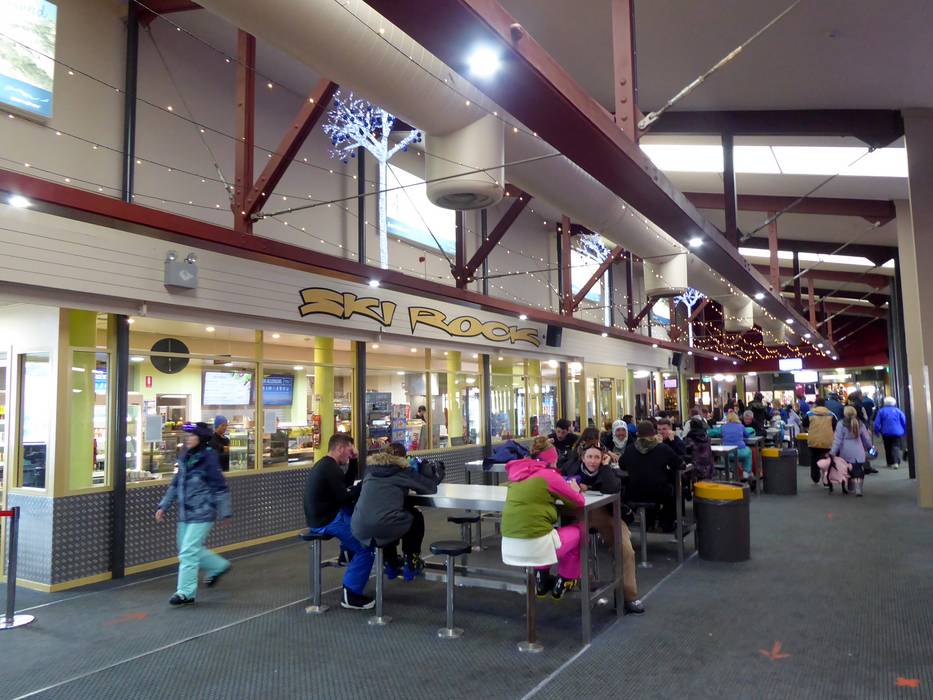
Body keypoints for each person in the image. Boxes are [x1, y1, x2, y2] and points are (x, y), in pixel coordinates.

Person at [155, 422, 232, 606]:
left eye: (192, 436)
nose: (188, 439)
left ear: (201, 438)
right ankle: (219, 566)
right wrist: (163, 506)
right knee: (186, 549)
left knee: (188, 551)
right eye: (187, 436)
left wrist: (225, 512)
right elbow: (175, 484)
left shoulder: (209, 458)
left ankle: (185, 592)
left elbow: (220, 486)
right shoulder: (185, 456)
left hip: (203, 511)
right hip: (185, 512)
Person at [501, 436, 586, 600]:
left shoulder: (517, 475)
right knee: (580, 532)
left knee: (544, 531)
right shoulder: (549, 476)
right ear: (552, 460)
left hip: (508, 545)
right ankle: (565, 580)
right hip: (535, 547)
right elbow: (579, 502)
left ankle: (542, 580)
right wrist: (575, 489)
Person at [564, 444, 645, 614]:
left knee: (625, 549)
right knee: (571, 547)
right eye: (589, 457)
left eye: (597, 457)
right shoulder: (571, 468)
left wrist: (605, 469)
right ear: (582, 457)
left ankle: (627, 596)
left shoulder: (606, 471)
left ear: (602, 459)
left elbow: (612, 488)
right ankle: (580, 584)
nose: (593, 461)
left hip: (607, 514)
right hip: (578, 515)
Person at [303, 434, 375, 610]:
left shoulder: (327, 465)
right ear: (340, 448)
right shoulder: (330, 468)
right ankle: (351, 595)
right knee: (366, 548)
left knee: (349, 512)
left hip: (320, 518)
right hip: (326, 521)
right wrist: (365, 483)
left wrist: (354, 461)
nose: (350, 453)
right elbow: (344, 496)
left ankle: (347, 552)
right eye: (349, 450)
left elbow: (344, 484)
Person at [351, 442, 440, 582]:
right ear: (403, 458)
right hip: (383, 526)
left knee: (388, 516)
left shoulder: (370, 470)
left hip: (359, 527)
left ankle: (390, 562)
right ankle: (412, 561)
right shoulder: (402, 471)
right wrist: (429, 474)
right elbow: (430, 488)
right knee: (414, 516)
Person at [621, 421, 682, 532]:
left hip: (634, 492)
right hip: (659, 492)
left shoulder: (630, 449)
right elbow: (678, 464)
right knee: (672, 492)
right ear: (653, 433)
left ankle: (648, 523)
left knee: (646, 486)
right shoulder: (662, 448)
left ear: (638, 434)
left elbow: (622, 464)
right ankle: (666, 523)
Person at [830, 406, 874, 497]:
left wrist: (833, 452)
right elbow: (866, 438)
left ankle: (851, 486)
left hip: (845, 451)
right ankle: (858, 488)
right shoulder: (860, 423)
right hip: (859, 451)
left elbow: (837, 440)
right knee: (858, 469)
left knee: (849, 469)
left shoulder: (841, 424)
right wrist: (870, 447)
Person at [712, 412, 755, 481]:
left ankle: (729, 472)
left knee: (726, 457)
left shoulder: (723, 427)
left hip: (728, 453)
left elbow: (716, 433)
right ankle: (746, 472)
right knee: (748, 451)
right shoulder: (741, 426)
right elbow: (747, 435)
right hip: (740, 452)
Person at [805, 397, 838, 484]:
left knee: (814, 459)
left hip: (813, 440)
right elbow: (835, 426)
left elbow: (804, 424)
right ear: (824, 404)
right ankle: (826, 479)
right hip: (827, 441)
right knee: (826, 460)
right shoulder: (831, 414)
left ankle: (815, 477)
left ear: (815, 404)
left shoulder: (809, 414)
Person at [874, 396, 907, 469]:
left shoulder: (881, 411)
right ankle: (896, 462)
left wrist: (877, 432)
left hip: (885, 432)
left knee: (887, 447)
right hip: (897, 432)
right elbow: (904, 421)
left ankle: (889, 462)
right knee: (896, 446)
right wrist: (905, 431)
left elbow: (877, 423)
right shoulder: (898, 411)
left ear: (885, 403)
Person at [683, 416, 714, 481]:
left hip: (696, 470)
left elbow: (684, 450)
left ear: (690, 427)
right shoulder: (707, 437)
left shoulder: (690, 438)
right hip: (709, 468)